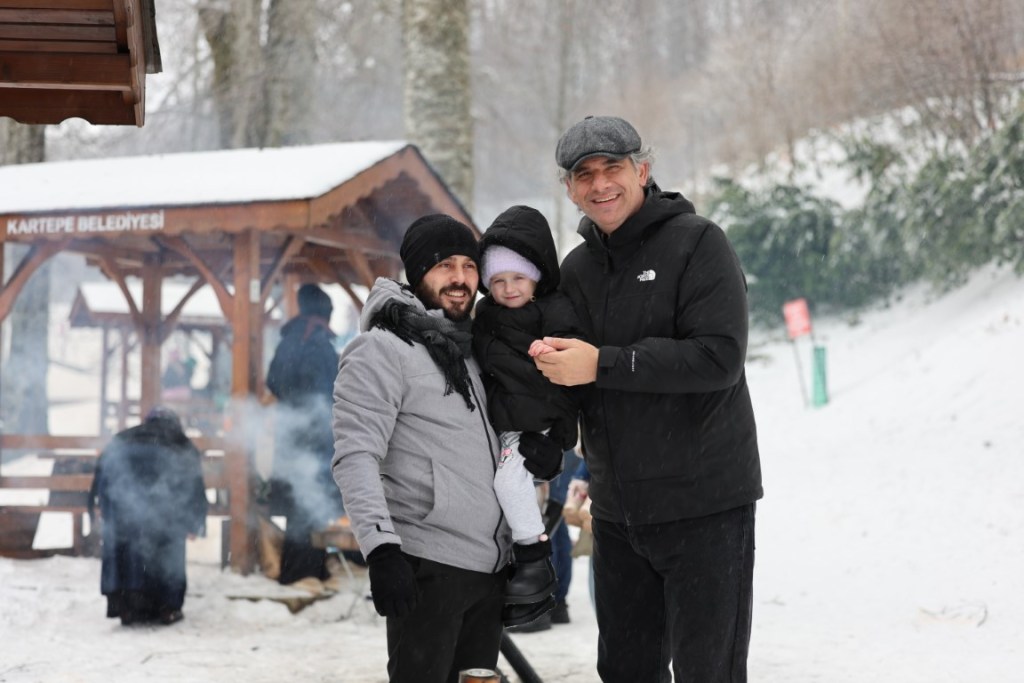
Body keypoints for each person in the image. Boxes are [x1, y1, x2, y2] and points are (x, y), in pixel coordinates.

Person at [534, 115, 764, 682]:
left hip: (705, 506)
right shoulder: (578, 269)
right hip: (618, 514)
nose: (599, 184)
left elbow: (718, 358)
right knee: (626, 671)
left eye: (612, 167)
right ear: (569, 190)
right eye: (582, 175)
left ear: (643, 169)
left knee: (707, 672)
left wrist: (603, 361)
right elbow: (563, 375)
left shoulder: (697, 242)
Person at [331, 214, 564, 683]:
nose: (460, 279)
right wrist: (380, 549)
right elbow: (356, 455)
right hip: (427, 569)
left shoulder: (475, 348)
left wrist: (542, 455)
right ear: (417, 274)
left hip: (489, 571)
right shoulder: (381, 349)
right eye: (443, 266)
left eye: (468, 265)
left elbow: (493, 442)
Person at [471, 205, 586, 628]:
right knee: (502, 490)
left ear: (537, 275)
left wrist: (559, 431)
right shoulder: (484, 316)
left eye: (517, 277)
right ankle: (523, 568)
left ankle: (535, 560)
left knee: (514, 484)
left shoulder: (554, 310)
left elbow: (574, 366)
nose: (508, 288)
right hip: (503, 423)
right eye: (497, 281)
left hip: (538, 421)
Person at [88, 406, 208, 626]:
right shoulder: (180, 443)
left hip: (121, 508)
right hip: (165, 513)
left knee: (124, 552)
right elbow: (194, 487)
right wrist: (194, 521)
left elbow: (101, 476)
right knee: (165, 553)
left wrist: (101, 507)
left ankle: (126, 607)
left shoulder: (122, 439)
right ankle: (167, 607)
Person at [265, 283, 344, 591]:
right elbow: (332, 390)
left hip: (289, 434)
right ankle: (301, 571)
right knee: (311, 502)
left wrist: (291, 402)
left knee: (303, 502)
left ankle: (307, 567)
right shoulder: (319, 342)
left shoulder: (288, 340)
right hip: (315, 435)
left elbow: (273, 382)